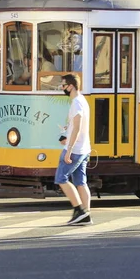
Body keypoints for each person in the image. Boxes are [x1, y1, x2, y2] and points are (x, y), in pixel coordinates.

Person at [54, 74, 92, 225]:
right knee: (81, 182)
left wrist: (68, 149)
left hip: (75, 149)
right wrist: (66, 134)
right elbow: (76, 127)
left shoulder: (76, 103)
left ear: (70, 86)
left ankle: (79, 210)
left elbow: (77, 128)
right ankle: (86, 214)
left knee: (61, 178)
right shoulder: (82, 101)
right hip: (84, 148)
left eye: (63, 85)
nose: (62, 88)